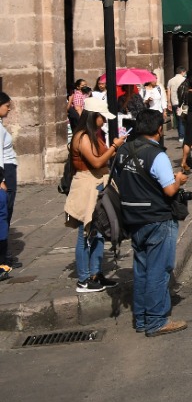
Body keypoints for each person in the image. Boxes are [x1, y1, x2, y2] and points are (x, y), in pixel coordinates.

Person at [113, 109, 189, 336]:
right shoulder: (157, 155)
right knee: (159, 270)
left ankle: (143, 319)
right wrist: (179, 180)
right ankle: (157, 321)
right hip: (157, 218)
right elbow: (168, 190)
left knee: (142, 269)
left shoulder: (123, 151)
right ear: (158, 129)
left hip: (133, 217)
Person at [64, 96, 126, 293]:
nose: (105, 121)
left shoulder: (93, 135)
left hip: (98, 184)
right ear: (94, 116)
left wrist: (114, 149)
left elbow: (104, 158)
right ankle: (83, 279)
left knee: (98, 232)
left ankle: (95, 273)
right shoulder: (81, 137)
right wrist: (115, 146)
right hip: (86, 188)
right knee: (86, 233)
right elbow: (97, 162)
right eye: (102, 117)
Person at [0, 92, 16, 274]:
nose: (9, 108)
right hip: (5, 173)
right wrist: (1, 179)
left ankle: (4, 255)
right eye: (6, 105)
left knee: (6, 214)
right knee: (3, 214)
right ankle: (2, 258)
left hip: (8, 170)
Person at [166, 67, 188, 141]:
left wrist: (168, 102)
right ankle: (182, 135)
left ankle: (180, 135)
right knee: (183, 119)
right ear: (183, 72)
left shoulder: (170, 81)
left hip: (174, 102)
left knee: (178, 119)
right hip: (183, 102)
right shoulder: (184, 80)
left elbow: (168, 92)